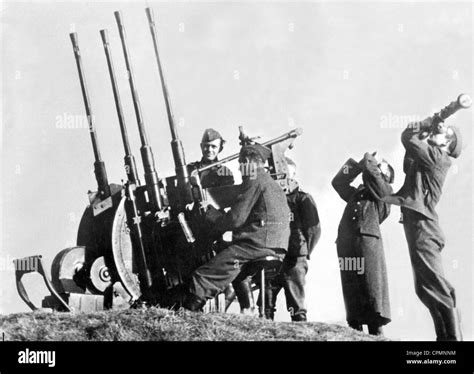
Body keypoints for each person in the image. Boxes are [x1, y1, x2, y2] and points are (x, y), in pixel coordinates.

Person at [382, 116, 463, 341]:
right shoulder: (428, 158)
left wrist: (430, 122)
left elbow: (407, 137)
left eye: (445, 133)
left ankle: (454, 342)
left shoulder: (437, 158)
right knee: (424, 288)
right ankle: (444, 340)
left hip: (423, 226)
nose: (441, 131)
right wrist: (429, 129)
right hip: (418, 224)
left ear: (447, 144)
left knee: (435, 284)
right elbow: (409, 160)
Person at [183, 144, 291, 311]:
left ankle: (188, 315)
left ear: (248, 161)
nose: (240, 170)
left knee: (203, 275)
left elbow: (235, 219)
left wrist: (211, 214)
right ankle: (248, 309)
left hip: (258, 243)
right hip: (276, 246)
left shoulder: (254, 179)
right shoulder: (269, 181)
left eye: (241, 164)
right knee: (235, 269)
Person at [332, 152, 394, 335]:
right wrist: (357, 166)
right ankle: (355, 329)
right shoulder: (358, 194)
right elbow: (338, 182)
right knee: (352, 285)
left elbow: (372, 175)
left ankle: (376, 333)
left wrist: (368, 159)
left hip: (367, 243)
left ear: (385, 176)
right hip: (347, 243)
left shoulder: (385, 191)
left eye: (378, 165)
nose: (375, 165)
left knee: (369, 287)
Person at [265, 158, 321, 322]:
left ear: (293, 174)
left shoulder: (303, 199)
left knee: (296, 305)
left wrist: (304, 251)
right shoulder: (268, 198)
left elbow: (314, 230)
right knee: (266, 303)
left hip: (294, 257)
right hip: (271, 255)